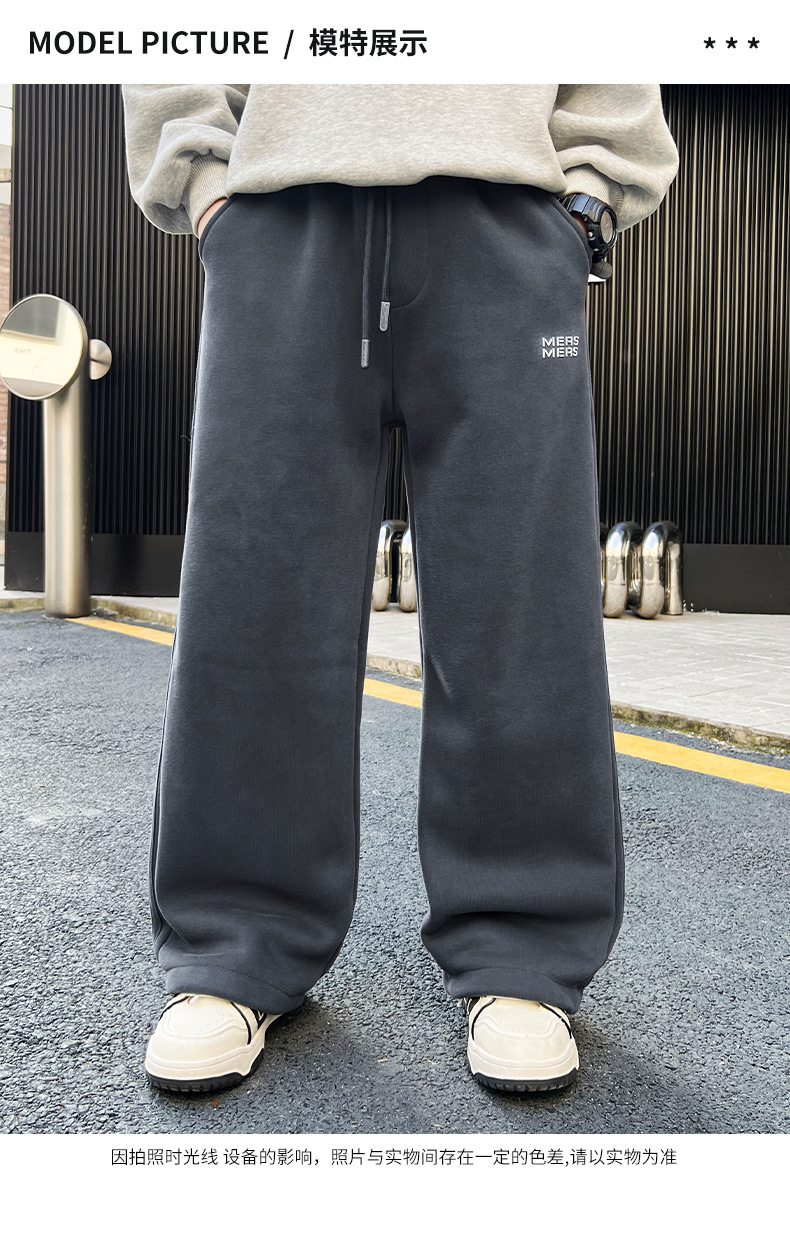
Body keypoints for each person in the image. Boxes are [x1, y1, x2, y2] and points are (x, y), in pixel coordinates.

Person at [122, 84, 678, 1095]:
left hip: (504, 225)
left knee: (521, 609)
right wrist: (205, 185)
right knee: (254, 600)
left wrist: (587, 202)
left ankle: (521, 948)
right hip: (282, 222)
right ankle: (237, 942)